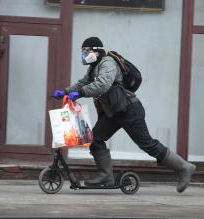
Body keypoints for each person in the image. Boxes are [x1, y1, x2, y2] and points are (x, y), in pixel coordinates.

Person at [53, 37, 196, 193]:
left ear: (96, 51)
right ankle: (106, 176)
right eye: (83, 51)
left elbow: (103, 84)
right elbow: (83, 83)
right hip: (114, 112)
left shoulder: (107, 62)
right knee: (95, 139)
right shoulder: (93, 67)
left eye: (86, 51)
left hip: (129, 109)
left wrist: (80, 93)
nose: (84, 54)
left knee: (147, 144)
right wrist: (66, 91)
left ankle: (184, 167)